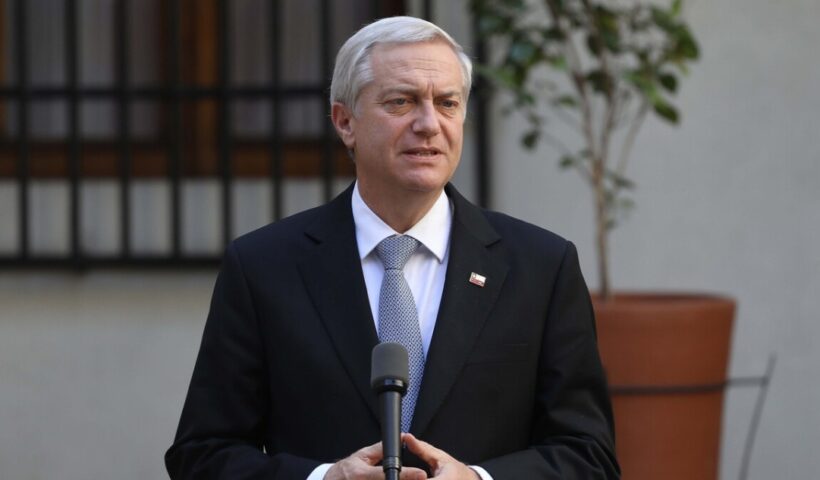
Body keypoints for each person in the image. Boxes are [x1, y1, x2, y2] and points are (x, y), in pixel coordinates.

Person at [165, 16, 619, 480]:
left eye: (447, 103)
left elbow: (589, 456)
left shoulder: (540, 267)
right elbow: (202, 455)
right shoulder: (263, 266)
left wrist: (479, 479)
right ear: (345, 122)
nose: (429, 124)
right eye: (401, 102)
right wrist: (324, 478)